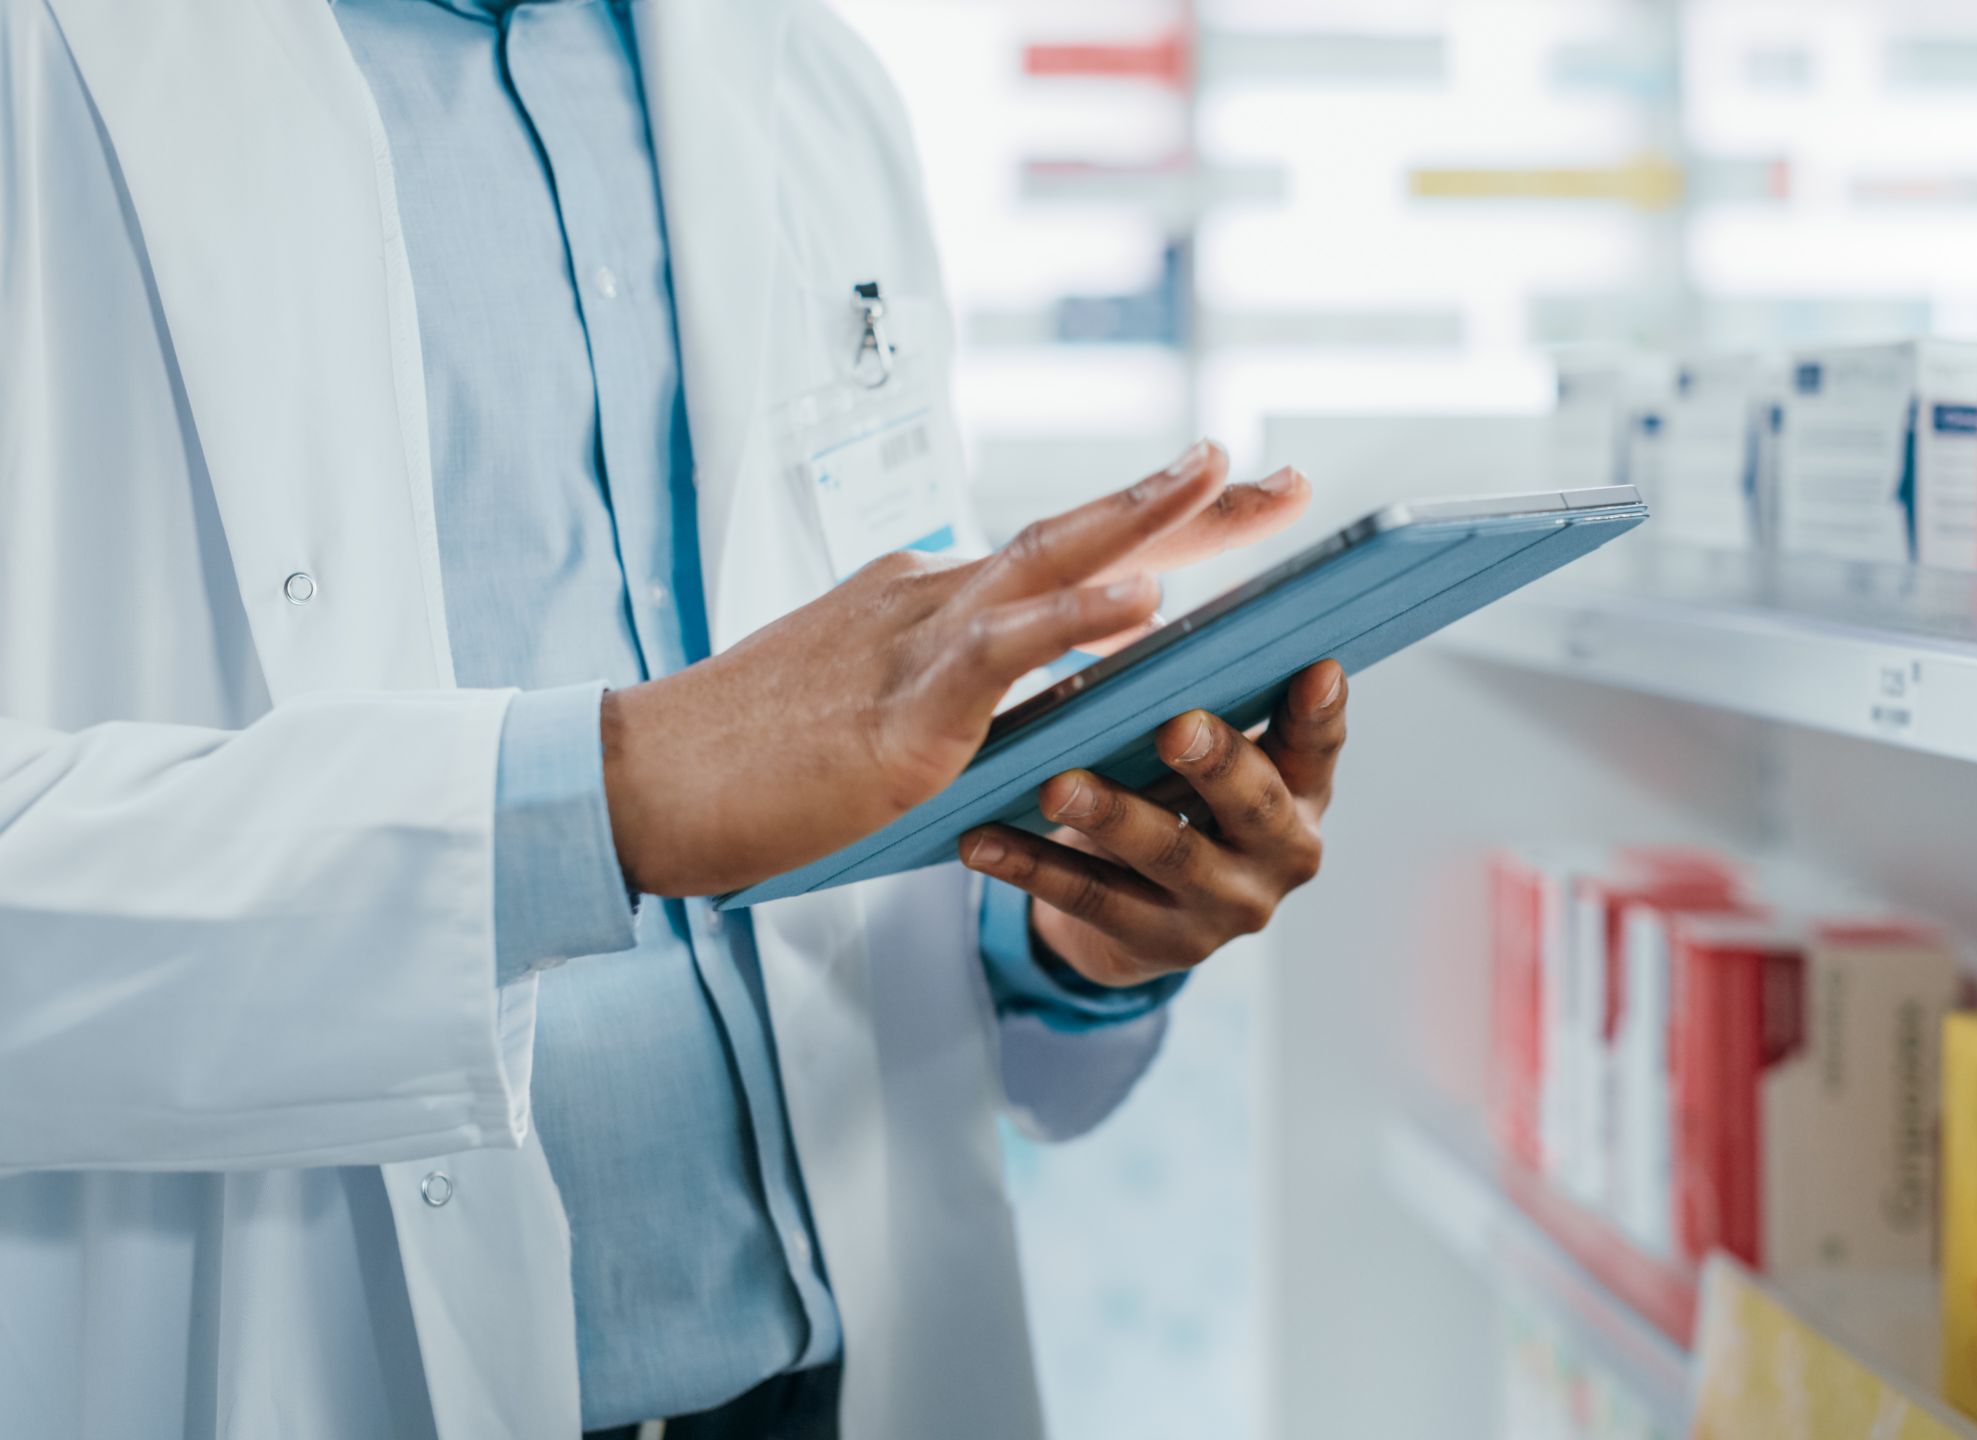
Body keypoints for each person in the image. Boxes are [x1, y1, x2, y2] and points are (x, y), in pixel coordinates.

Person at [0, 0, 1349, 1435]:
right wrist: (604, 794)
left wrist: (1066, 917)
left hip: (825, 1386)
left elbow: (847, 803)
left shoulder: (812, 82)